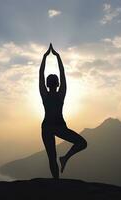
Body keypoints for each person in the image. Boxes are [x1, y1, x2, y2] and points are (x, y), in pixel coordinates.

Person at [39, 43, 87, 179]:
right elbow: (62, 73)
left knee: (52, 158)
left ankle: (58, 177)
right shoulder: (61, 94)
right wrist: (58, 57)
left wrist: (45, 58)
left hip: (50, 127)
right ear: (58, 83)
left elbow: (40, 74)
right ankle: (65, 159)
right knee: (81, 143)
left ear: (48, 84)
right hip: (55, 126)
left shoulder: (45, 94)